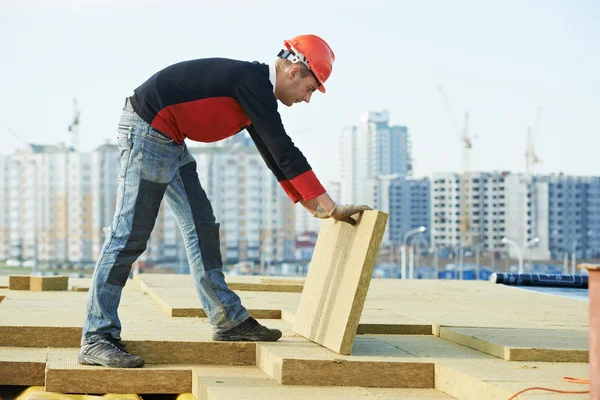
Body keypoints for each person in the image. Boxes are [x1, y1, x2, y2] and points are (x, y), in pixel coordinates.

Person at [78, 34, 371, 368]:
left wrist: (314, 205)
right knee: (129, 235)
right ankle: (96, 336)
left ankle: (228, 320)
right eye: (310, 89)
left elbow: (271, 153)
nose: (307, 99)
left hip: (169, 140)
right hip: (148, 132)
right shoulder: (253, 82)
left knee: (202, 227)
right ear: (295, 71)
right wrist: (329, 205)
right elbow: (282, 147)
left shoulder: (255, 91)